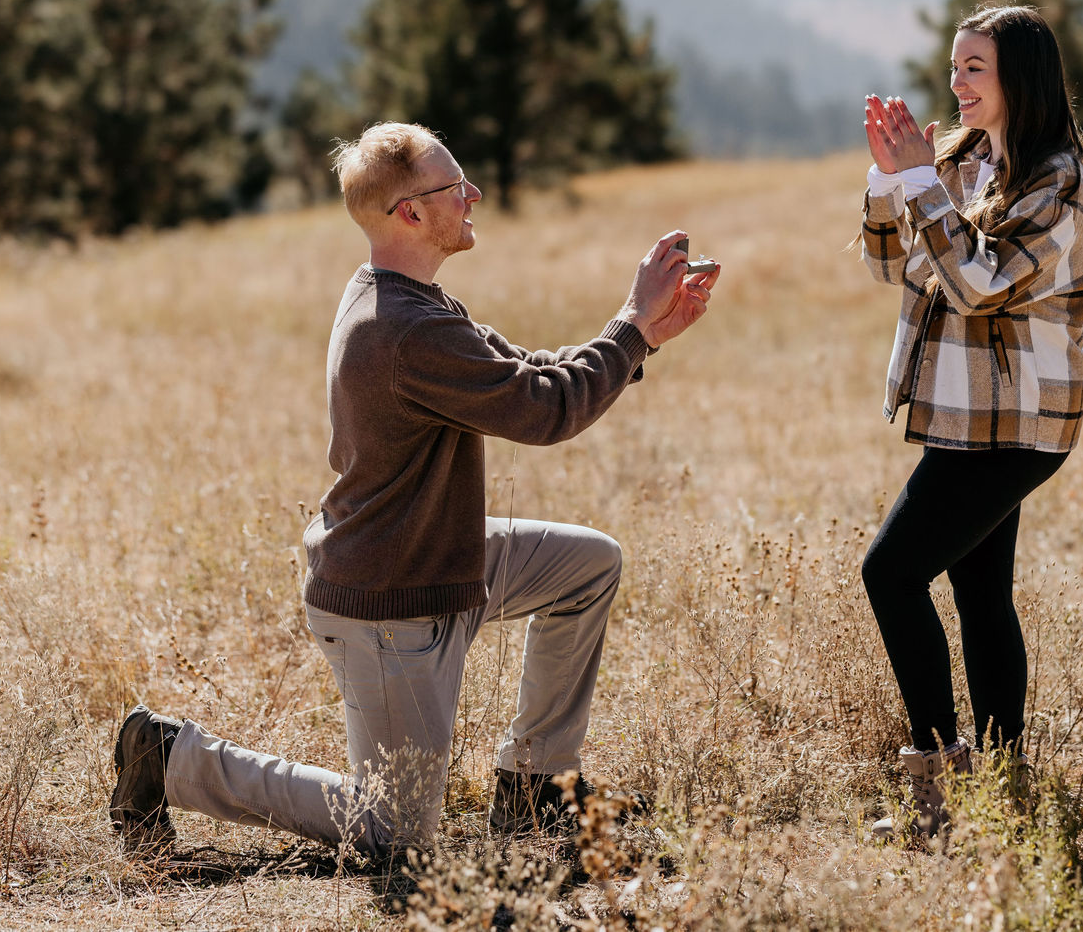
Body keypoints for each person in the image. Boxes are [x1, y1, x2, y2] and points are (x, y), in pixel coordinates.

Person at [108, 121, 720, 858]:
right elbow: (547, 410)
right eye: (455, 188)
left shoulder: (408, 298)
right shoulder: (402, 329)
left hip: (441, 558)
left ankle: (532, 789)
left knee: (588, 567)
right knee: (391, 831)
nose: (474, 196)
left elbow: (527, 374)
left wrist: (642, 337)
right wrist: (631, 322)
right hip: (393, 604)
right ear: (411, 213)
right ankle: (171, 757)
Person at [856, 6, 1083, 844]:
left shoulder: (1056, 183)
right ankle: (1002, 795)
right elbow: (894, 264)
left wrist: (922, 185)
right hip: (965, 412)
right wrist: (893, 180)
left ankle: (937, 795)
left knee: (890, 574)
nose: (956, 84)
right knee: (978, 591)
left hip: (1021, 421)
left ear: (1018, 78)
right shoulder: (960, 162)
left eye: (975, 69)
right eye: (954, 66)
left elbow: (981, 283)